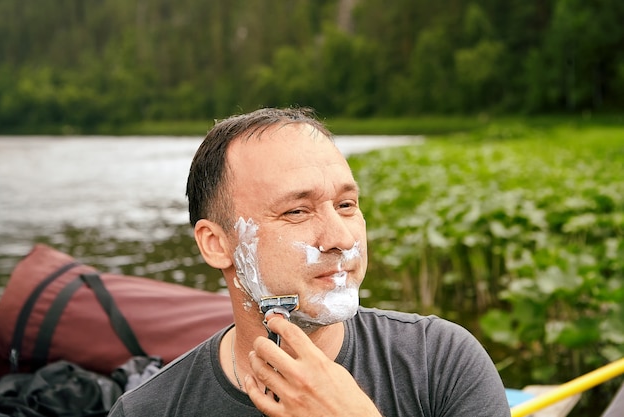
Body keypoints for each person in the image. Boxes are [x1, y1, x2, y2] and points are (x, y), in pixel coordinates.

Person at [109, 107, 511, 417]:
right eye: (297, 212)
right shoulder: (149, 409)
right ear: (216, 244)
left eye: (346, 205)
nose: (340, 238)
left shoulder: (441, 363)